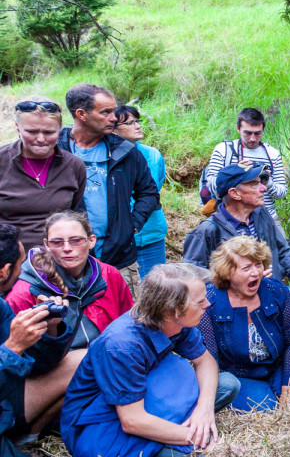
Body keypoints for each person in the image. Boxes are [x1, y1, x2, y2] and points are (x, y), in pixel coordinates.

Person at [60, 263, 238, 457]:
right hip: (106, 428)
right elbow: (132, 421)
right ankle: (162, 440)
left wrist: (204, 410)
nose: (208, 304)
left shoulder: (174, 323)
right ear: (173, 310)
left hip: (151, 399)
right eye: (200, 301)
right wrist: (201, 439)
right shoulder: (122, 345)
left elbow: (206, 362)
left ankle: (174, 427)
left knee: (228, 384)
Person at [182, 162, 290, 364]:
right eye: (255, 184)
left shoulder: (261, 214)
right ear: (235, 193)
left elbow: (283, 251)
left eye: (262, 182)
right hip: (233, 305)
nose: (264, 188)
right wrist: (235, 280)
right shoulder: (207, 230)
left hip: (272, 292)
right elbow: (189, 279)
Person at [0, 223, 80, 457]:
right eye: (21, 264)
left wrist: (50, 330)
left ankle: (22, 435)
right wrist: (11, 348)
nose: (23, 272)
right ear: (3, 271)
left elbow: (40, 365)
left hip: (5, 403)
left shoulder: (0, 306)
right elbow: (11, 355)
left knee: (82, 360)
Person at [198, 237, 290, 412]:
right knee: (267, 410)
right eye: (246, 268)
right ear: (227, 273)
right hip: (238, 374)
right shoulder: (210, 301)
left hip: (276, 365)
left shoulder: (276, 290)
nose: (256, 273)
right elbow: (209, 358)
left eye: (258, 264)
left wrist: (288, 384)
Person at [57, 84, 159, 270]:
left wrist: (131, 226)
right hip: (67, 259)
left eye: (113, 111)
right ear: (81, 114)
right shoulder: (55, 151)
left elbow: (149, 192)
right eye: (106, 112)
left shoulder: (125, 151)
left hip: (120, 258)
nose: (113, 118)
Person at [7, 211, 132, 352]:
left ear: (91, 241)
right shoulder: (25, 292)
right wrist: (52, 329)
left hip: (109, 355)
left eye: (76, 240)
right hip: (56, 367)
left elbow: (128, 324)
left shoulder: (109, 275)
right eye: (57, 242)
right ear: (46, 244)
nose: (67, 248)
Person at [0, 97, 86, 251]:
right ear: (17, 126)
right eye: (31, 132)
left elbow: (75, 213)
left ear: (60, 127)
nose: (40, 139)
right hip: (9, 262)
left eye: (49, 132)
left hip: (59, 258)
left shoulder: (74, 166)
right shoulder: (2, 161)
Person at [200, 108, 288, 226]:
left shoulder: (273, 154)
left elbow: (281, 193)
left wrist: (266, 181)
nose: (252, 138)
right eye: (247, 133)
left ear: (263, 130)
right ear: (238, 128)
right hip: (231, 219)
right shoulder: (224, 150)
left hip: (267, 218)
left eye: (258, 133)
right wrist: (236, 171)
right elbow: (212, 186)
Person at [113, 106, 169, 279]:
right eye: (129, 123)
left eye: (137, 121)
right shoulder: (105, 156)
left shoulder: (152, 155)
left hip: (151, 232)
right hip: (118, 238)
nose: (137, 126)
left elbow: (153, 191)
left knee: (157, 289)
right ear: (112, 128)